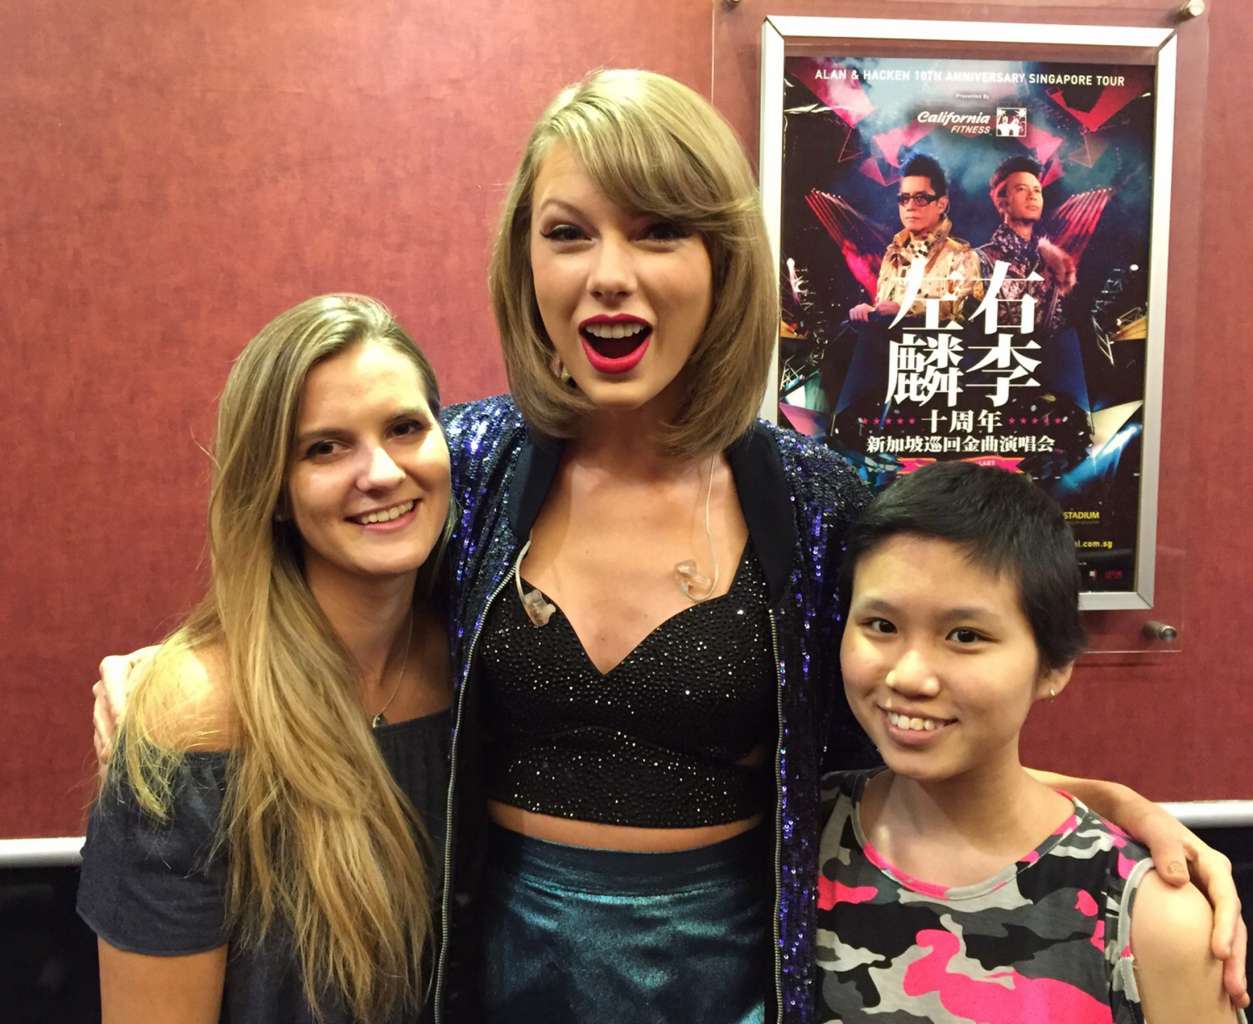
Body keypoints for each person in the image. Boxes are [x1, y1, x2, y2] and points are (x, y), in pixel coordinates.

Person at [93, 72, 1249, 1024]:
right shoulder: (472, 461)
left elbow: (910, 711)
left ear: (722, 262)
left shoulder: (812, 498)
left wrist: (1113, 809)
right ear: (526, 262)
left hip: (732, 980)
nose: (611, 272)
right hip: (490, 974)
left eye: (658, 232)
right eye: (569, 234)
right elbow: (317, 560)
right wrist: (173, 675)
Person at [79, 294, 455, 1024]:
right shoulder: (197, 715)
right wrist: (172, 690)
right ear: (274, 492)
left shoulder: (477, 663)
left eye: (405, 428)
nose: (381, 472)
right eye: (325, 448)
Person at [817, 460, 1247, 1023]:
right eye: (881, 625)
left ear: (1054, 665)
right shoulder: (793, 839)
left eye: (965, 636)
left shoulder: (1151, 919)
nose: (909, 676)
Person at [850, 152, 982, 327]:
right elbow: (887, 312)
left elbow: (967, 319)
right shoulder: (892, 255)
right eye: (904, 198)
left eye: (920, 198)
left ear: (941, 204)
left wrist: (907, 311)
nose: (910, 206)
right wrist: (870, 311)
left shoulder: (962, 256)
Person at [975, 155, 1076, 336]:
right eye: (1022, 189)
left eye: (1037, 190)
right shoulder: (980, 260)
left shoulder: (1053, 264)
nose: (1032, 196)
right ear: (1002, 202)